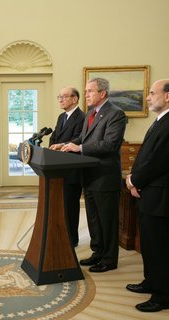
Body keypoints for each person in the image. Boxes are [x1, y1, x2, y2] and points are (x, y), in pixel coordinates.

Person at [125, 80, 169, 312]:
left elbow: (159, 162)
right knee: (149, 245)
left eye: (152, 93)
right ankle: (150, 282)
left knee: (160, 248)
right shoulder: (162, 121)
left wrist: (133, 180)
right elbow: (146, 157)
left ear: (168, 96)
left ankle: (162, 297)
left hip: (159, 195)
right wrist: (134, 179)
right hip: (148, 193)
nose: (148, 98)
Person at [61, 77, 126, 273]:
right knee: (94, 219)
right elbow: (83, 137)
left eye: (90, 91)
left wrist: (78, 147)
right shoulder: (91, 113)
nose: (86, 94)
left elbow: (110, 144)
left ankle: (109, 259)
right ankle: (98, 252)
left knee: (107, 220)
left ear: (102, 93)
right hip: (89, 175)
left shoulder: (116, 114)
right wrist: (66, 144)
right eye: (86, 91)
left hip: (105, 176)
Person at [48, 87, 86, 247]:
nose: (60, 100)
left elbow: (79, 139)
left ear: (75, 99)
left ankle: (72, 239)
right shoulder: (61, 116)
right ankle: (61, 235)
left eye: (64, 97)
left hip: (72, 168)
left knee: (70, 205)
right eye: (59, 97)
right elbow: (54, 136)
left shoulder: (82, 117)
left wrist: (60, 145)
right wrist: (52, 146)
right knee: (59, 205)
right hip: (58, 168)